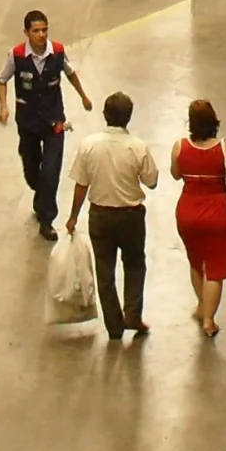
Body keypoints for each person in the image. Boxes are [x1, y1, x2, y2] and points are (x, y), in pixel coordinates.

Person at [66, 91, 159, 342]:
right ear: (129, 117)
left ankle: (114, 327)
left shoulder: (89, 145)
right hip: (131, 217)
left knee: (104, 271)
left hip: (100, 216)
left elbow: (81, 185)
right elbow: (152, 181)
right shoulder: (137, 147)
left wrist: (73, 216)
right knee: (135, 264)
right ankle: (133, 314)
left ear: (105, 115)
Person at [0, 10, 90, 240]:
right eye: (36, 31)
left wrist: (83, 96)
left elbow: (70, 73)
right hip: (28, 122)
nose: (41, 35)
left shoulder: (57, 52)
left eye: (44, 30)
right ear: (26, 32)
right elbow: (2, 80)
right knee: (32, 172)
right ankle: (40, 196)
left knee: (50, 171)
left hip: (54, 123)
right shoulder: (16, 56)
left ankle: (46, 219)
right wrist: (3, 106)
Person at [171, 98, 226, 338]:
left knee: (196, 262)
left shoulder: (179, 146)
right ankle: (209, 320)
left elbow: (176, 175)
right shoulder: (225, 148)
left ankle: (201, 307)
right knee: (216, 269)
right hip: (218, 214)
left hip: (187, 212)